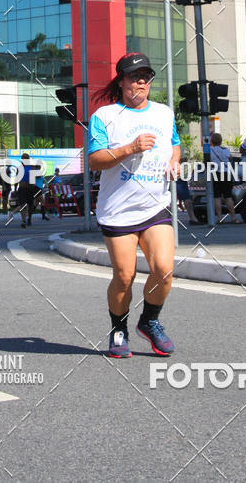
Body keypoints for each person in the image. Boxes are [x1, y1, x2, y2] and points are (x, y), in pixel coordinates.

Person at [88, 52, 181, 359]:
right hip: (118, 211)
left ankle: (150, 321)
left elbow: (175, 143)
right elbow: (95, 160)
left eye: (146, 77)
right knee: (125, 276)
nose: (141, 82)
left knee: (164, 270)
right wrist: (130, 148)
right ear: (122, 81)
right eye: (134, 77)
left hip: (155, 206)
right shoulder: (104, 116)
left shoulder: (164, 113)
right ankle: (118, 329)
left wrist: (174, 161)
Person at [210, 133, 242, 223]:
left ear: (212, 141)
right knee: (228, 196)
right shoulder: (226, 150)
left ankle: (220, 218)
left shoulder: (210, 151)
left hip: (215, 173)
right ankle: (233, 217)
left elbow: (206, 162)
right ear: (220, 141)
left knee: (217, 197)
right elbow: (230, 160)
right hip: (226, 173)